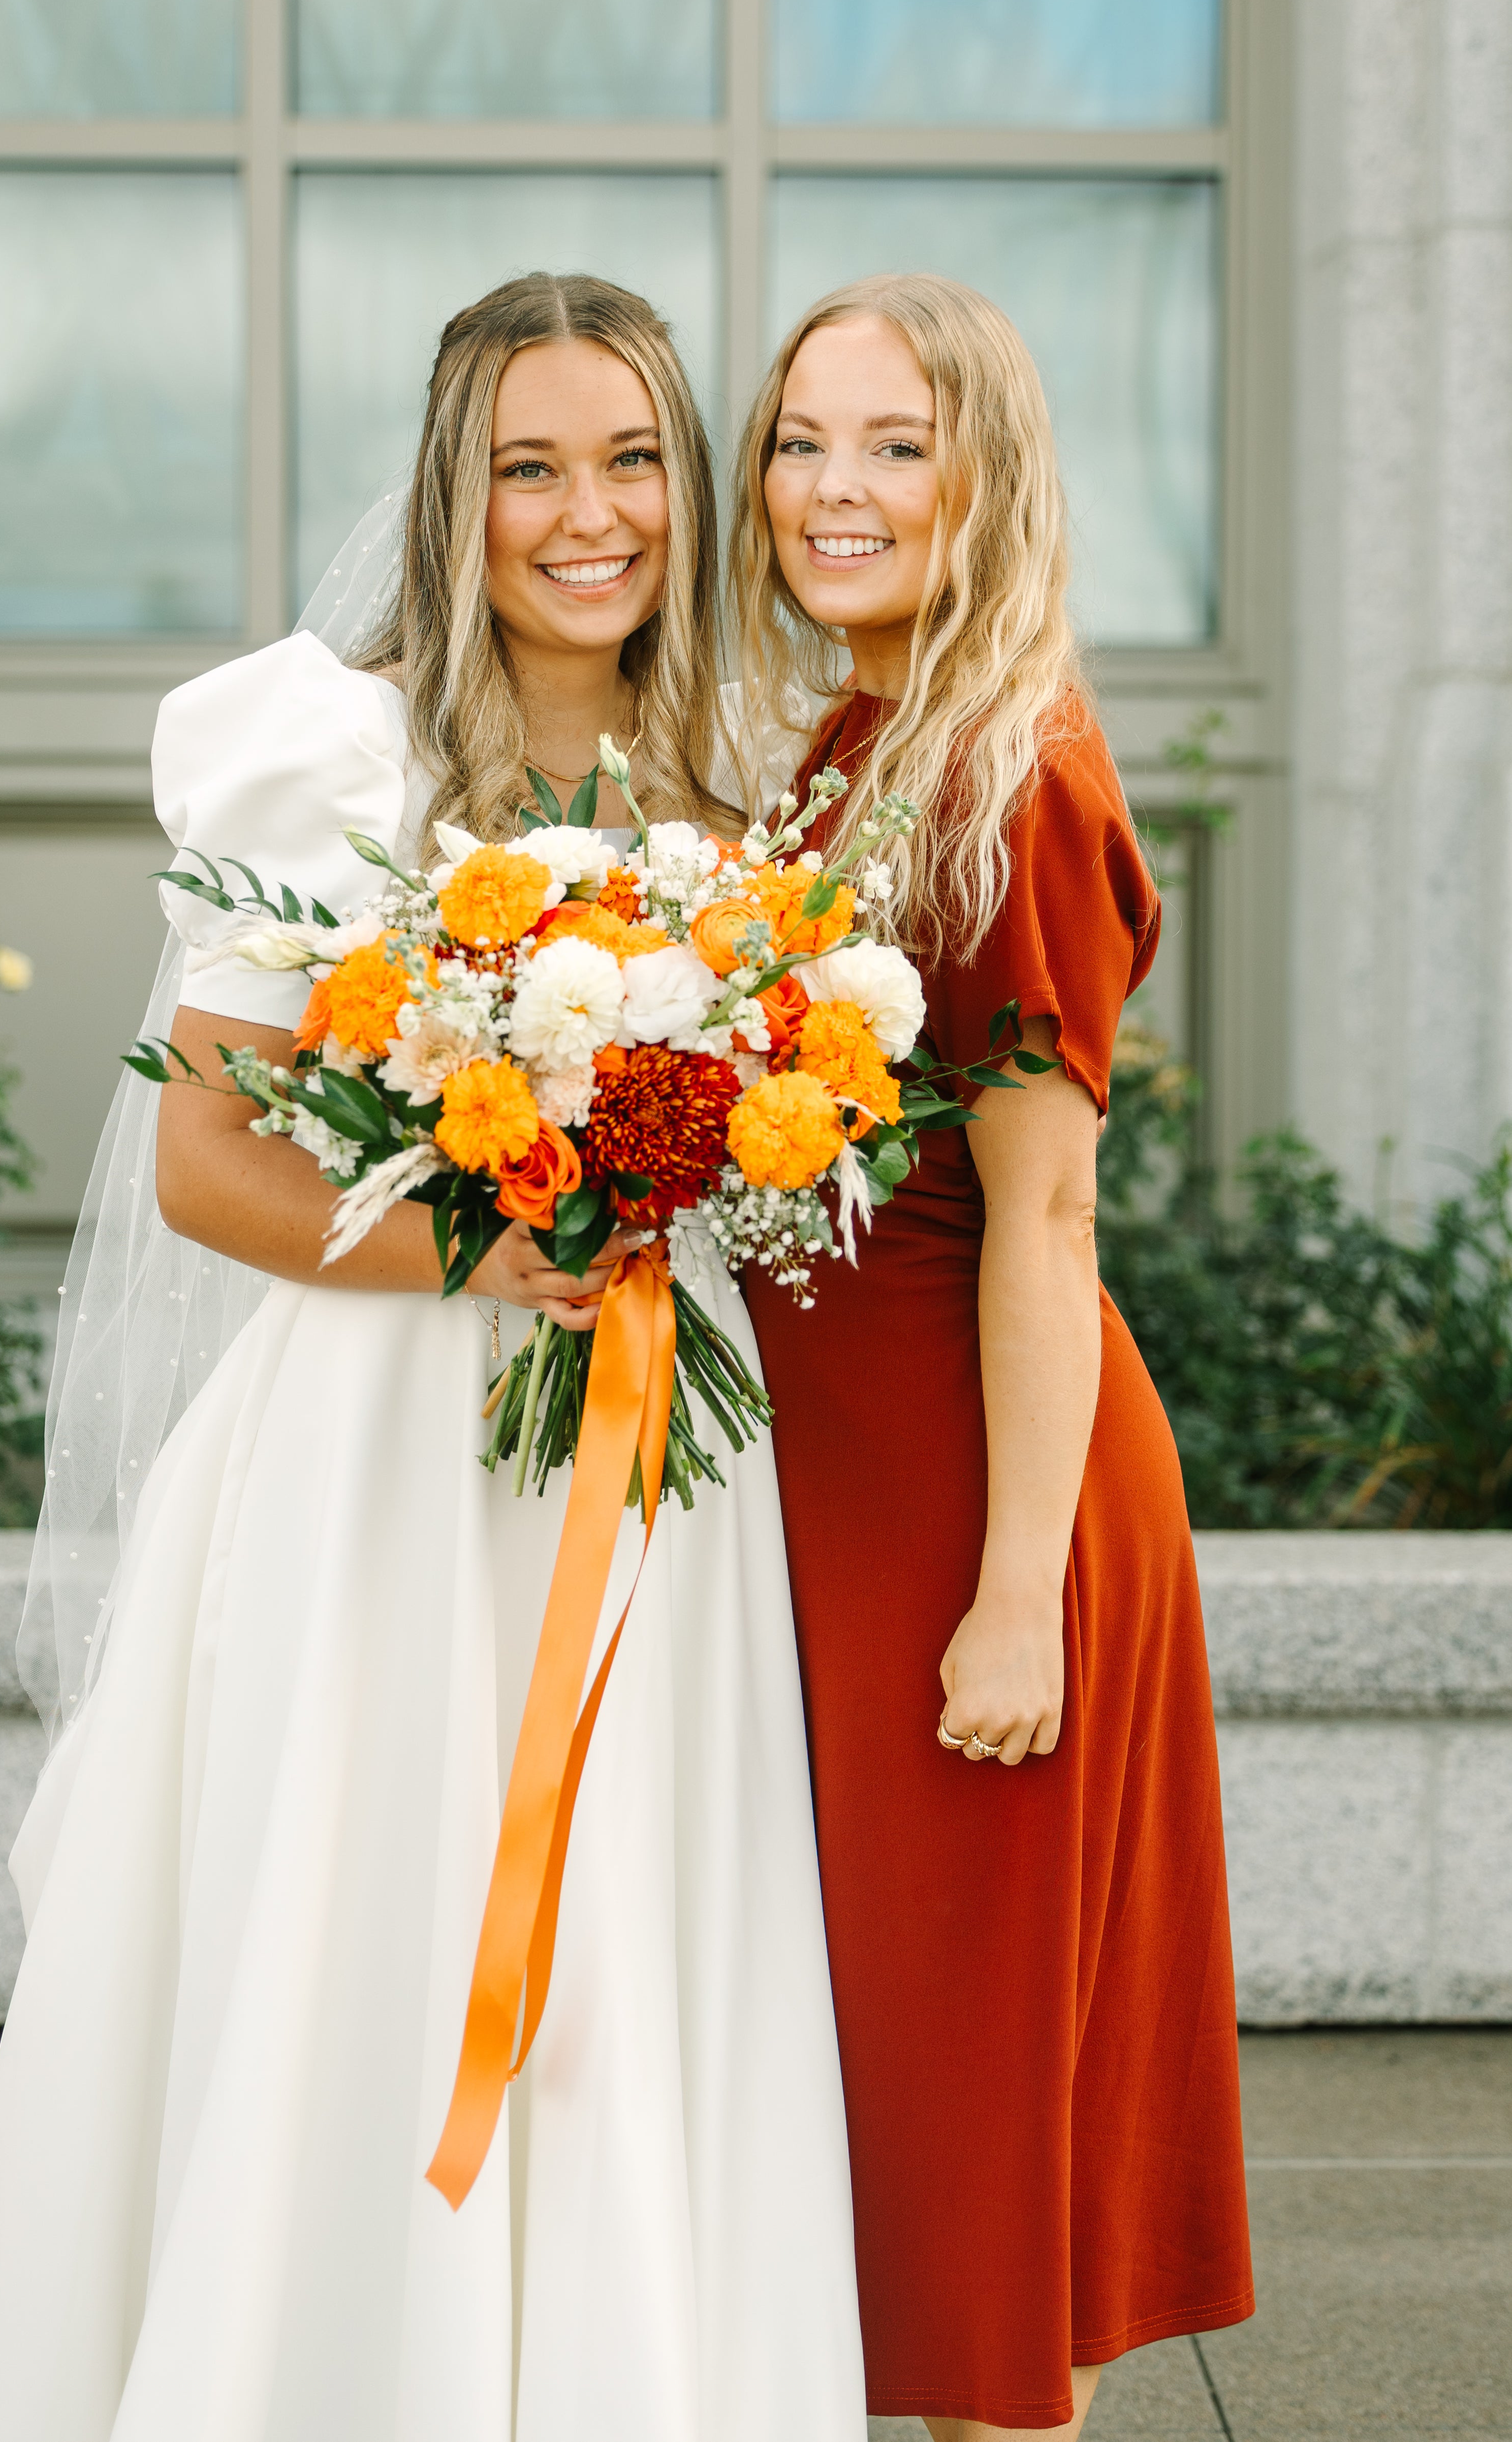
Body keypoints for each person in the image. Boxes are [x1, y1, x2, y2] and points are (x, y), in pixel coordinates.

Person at [0, 274, 865, 2441]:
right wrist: (479, 1243)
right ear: (456, 489)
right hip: (379, 1467)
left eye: (628, 458)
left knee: (632, 1944)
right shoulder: (328, 745)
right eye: (530, 465)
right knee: (369, 1925)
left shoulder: (725, 776)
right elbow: (202, 1167)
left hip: (648, 1472)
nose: (585, 513)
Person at [731, 274, 1254, 2440]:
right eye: (798, 441)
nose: (831, 491)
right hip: (861, 1500)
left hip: (979, 1504)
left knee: (971, 2162)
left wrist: (1013, 1596)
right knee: (896, 2125)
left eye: (893, 445)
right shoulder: (859, 740)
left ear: (986, 476)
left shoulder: (1008, 770)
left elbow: (1042, 1216)